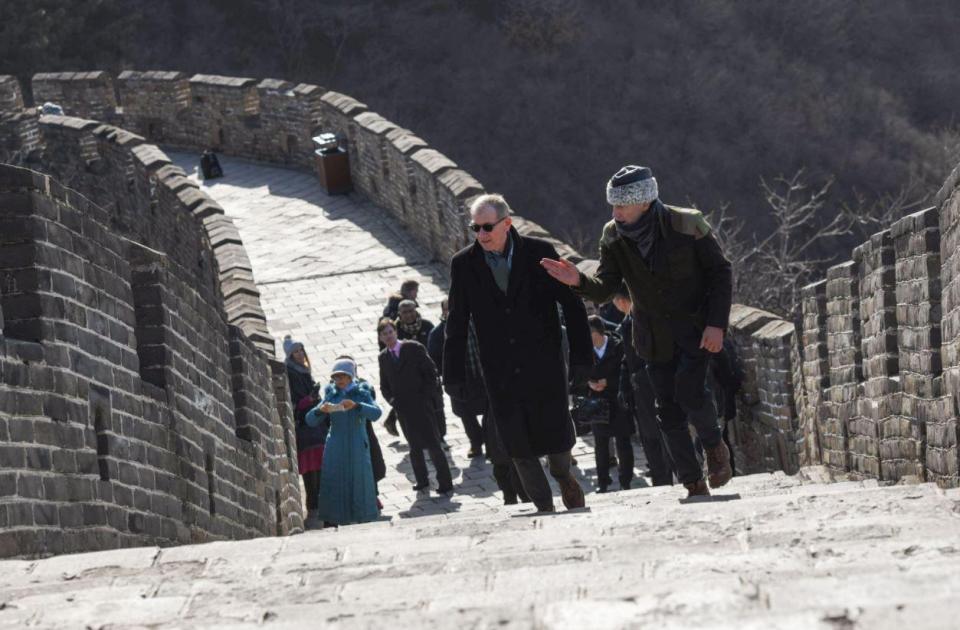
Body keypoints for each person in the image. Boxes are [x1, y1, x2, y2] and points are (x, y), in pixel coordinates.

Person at [541, 165, 733, 497]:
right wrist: (579, 282)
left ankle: (715, 449)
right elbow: (606, 289)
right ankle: (692, 480)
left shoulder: (686, 224)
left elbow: (720, 273)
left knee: (690, 391)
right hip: (652, 335)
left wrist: (717, 324)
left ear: (644, 202)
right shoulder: (613, 236)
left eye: (621, 205)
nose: (615, 212)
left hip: (695, 328)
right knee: (666, 409)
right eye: (612, 205)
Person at [444, 193, 592, 513]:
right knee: (517, 445)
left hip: (544, 364)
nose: (481, 234)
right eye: (475, 228)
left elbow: (572, 306)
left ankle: (563, 475)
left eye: (487, 227)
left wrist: (582, 359)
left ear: (507, 223)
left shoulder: (540, 253)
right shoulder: (464, 264)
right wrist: (452, 374)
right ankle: (543, 508)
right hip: (500, 370)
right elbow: (456, 322)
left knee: (556, 432)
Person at [378, 318, 453, 493]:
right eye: (384, 334)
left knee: (433, 444)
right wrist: (392, 401)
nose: (388, 336)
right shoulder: (383, 357)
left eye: (390, 332)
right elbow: (384, 385)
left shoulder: (413, 347)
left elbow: (431, 372)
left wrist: (426, 396)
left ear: (395, 332)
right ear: (381, 338)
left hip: (422, 404)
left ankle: (445, 482)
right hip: (403, 409)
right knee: (414, 446)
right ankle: (422, 480)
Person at [306, 358, 382, 526]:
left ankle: (363, 518)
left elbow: (377, 413)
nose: (339, 380)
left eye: (343, 376)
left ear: (351, 376)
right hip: (335, 446)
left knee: (360, 481)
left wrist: (357, 406)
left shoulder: (362, 392)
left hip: (357, 445)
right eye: (336, 377)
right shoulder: (331, 394)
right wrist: (320, 410)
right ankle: (334, 520)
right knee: (335, 481)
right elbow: (310, 420)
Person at [611, 289, 674, 486]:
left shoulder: (643, 320)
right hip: (638, 390)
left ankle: (668, 474)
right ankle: (659, 475)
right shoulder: (626, 323)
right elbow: (626, 359)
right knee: (648, 435)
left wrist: (638, 376)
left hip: (651, 386)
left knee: (661, 432)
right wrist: (624, 384)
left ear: (621, 301)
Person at [578, 316, 636, 492]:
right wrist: (589, 383)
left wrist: (608, 382)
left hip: (618, 399)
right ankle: (603, 482)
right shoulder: (584, 350)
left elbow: (626, 370)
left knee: (623, 442)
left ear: (597, 333)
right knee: (600, 443)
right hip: (597, 401)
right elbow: (578, 374)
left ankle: (626, 480)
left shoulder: (618, 347)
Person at [428, 299, 485, 458]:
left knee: (489, 410)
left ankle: (491, 440)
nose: (451, 311)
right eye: (447, 309)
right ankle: (476, 443)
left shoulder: (476, 322)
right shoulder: (438, 333)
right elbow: (434, 357)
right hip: (459, 380)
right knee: (467, 414)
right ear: (443, 312)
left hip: (481, 375)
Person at [282, 337, 325, 522]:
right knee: (310, 468)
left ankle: (318, 502)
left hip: (314, 423)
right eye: (296, 352)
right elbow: (295, 404)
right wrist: (310, 398)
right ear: (290, 355)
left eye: (301, 350)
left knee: (318, 465)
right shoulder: (291, 373)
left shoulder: (303, 371)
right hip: (305, 427)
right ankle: (313, 504)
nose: (300, 354)